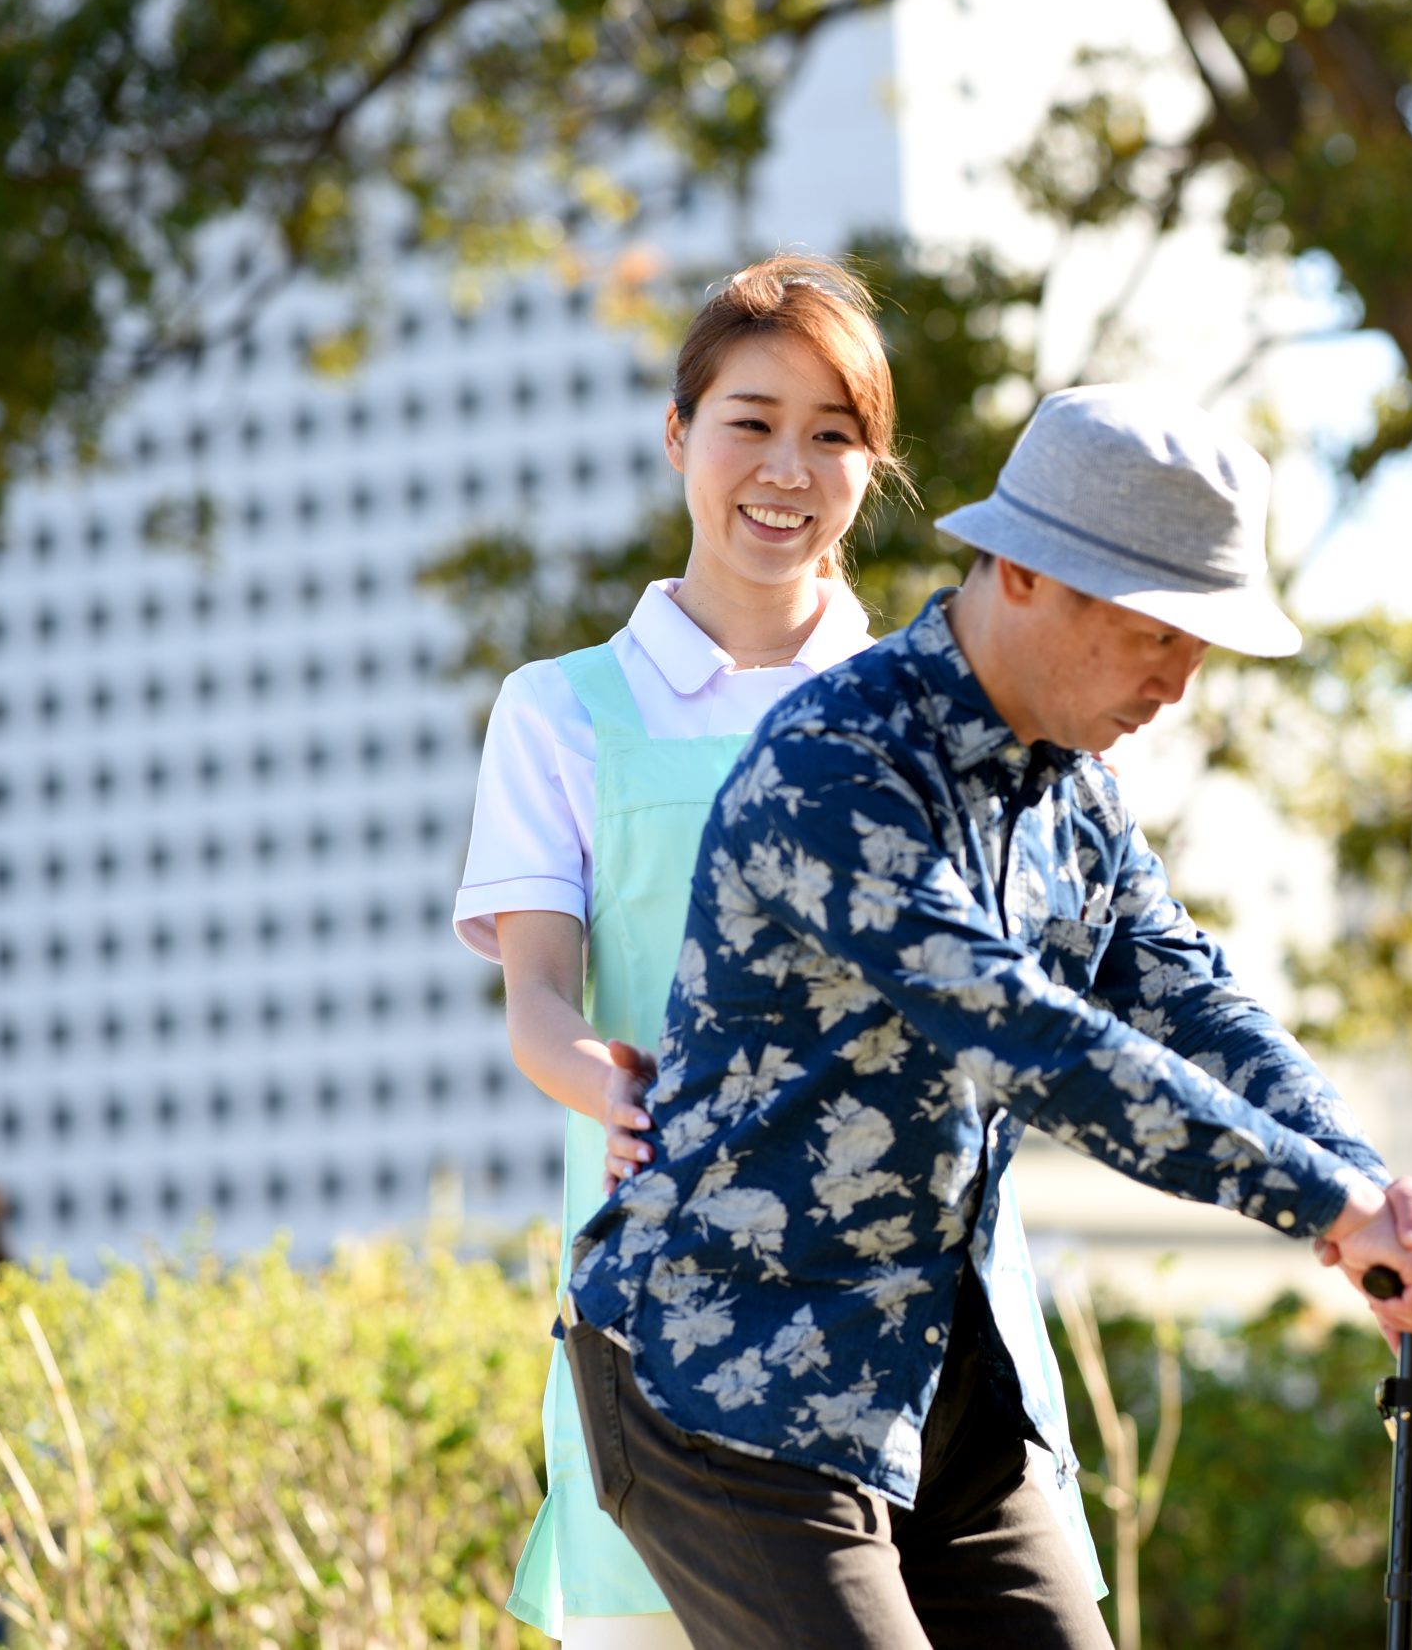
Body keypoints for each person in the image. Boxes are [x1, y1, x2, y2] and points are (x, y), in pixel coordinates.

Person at [562, 383, 1412, 1646]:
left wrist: (1365, 1184)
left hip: (943, 1379)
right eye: (1156, 628)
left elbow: (1189, 998)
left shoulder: (1080, 795)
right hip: (728, 1371)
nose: (1183, 675)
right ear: (1021, 572)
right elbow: (1032, 1039)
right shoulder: (835, 765)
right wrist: (1326, 1206)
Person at [450, 257, 1103, 1647]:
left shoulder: (945, 706)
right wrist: (638, 1097)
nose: (787, 468)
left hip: (941, 1330)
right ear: (679, 435)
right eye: (749, 420)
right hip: (692, 1326)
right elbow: (540, 1007)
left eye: (833, 431)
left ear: (876, 465)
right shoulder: (563, 710)